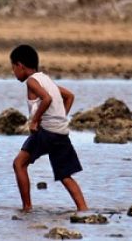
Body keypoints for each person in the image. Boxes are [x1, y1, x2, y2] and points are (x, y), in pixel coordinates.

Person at [10, 44, 88, 212]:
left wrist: (34, 121)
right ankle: (83, 209)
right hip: (60, 133)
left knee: (19, 164)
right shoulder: (46, 80)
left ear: (20, 65)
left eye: (13, 67)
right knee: (65, 175)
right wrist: (60, 117)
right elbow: (69, 96)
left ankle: (27, 208)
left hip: (45, 133)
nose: (13, 72)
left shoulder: (32, 81)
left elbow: (46, 99)